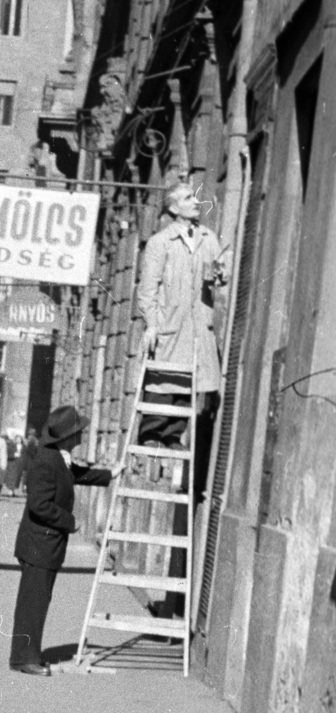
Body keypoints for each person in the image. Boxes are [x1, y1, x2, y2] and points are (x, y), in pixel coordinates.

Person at [9, 405, 113, 676]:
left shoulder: (58, 457)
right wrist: (70, 521)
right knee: (33, 603)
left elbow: (76, 473)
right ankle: (25, 659)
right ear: (67, 436)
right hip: (39, 545)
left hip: (44, 544)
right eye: (79, 431)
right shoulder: (46, 460)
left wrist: (110, 474)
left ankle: (26, 655)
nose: (82, 435)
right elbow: (39, 505)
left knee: (36, 601)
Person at [136, 182, 227, 489]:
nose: (196, 201)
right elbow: (146, 291)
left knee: (192, 380)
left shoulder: (208, 238)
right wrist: (151, 323)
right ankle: (151, 433)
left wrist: (218, 275)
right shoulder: (161, 243)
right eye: (188, 198)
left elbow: (222, 275)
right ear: (174, 208)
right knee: (163, 379)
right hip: (171, 322)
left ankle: (174, 434)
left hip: (198, 323)